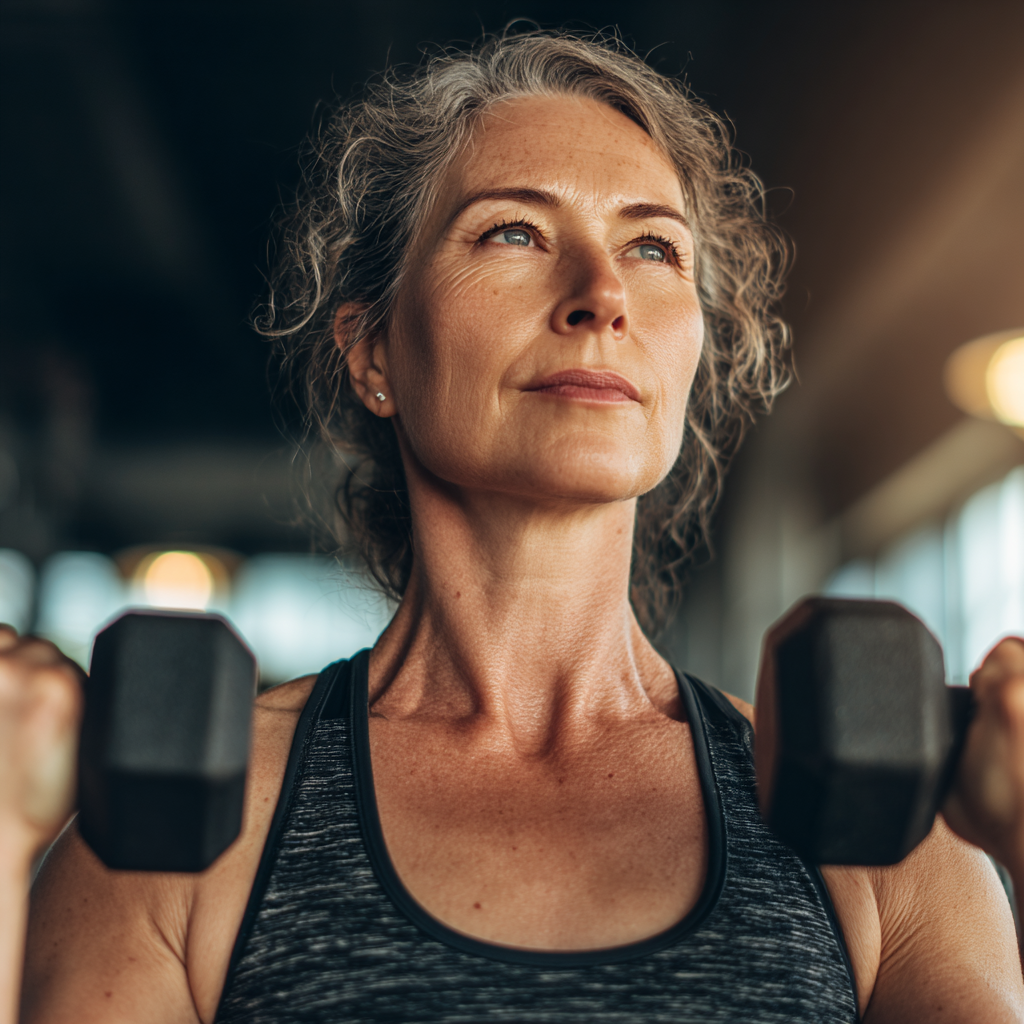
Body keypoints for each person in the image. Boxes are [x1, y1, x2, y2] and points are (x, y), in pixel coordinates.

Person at [2, 31, 1022, 1024]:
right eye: (514, 233)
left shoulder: (882, 836)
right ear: (373, 352)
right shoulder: (180, 830)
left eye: (653, 247)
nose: (603, 295)